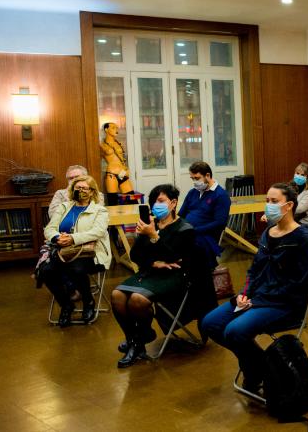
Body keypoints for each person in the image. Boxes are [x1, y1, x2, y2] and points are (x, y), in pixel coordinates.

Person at [201, 183, 308, 393]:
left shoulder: (303, 239)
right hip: (255, 297)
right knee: (210, 323)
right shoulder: (267, 233)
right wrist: (244, 294)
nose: (268, 205)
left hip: (283, 304)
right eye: (267, 201)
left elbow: (299, 283)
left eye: (274, 201)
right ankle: (262, 366)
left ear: (289, 205)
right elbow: (254, 271)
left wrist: (257, 300)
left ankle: (255, 371)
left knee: (234, 331)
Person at [111, 184, 196, 368]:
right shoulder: (151, 225)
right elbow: (135, 256)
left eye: (161, 201)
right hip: (149, 272)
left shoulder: (185, 229)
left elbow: (174, 257)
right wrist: (153, 261)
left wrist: (154, 238)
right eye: (153, 201)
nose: (156, 205)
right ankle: (135, 338)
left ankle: (138, 345)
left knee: (137, 299)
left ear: (173, 203)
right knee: (117, 295)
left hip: (174, 276)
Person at [39, 175, 111, 327]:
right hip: (63, 251)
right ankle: (66, 305)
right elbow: (49, 229)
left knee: (76, 269)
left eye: (84, 188)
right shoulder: (64, 207)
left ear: (92, 192)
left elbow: (97, 232)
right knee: (45, 271)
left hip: (91, 253)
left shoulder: (100, 210)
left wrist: (72, 238)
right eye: (77, 188)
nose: (81, 191)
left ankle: (88, 301)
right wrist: (56, 238)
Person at [178, 161, 231, 272]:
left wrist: (194, 230)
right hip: (189, 232)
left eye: (197, 178)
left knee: (191, 248)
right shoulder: (193, 192)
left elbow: (220, 222)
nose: (195, 182)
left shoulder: (220, 195)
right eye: (192, 179)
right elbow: (181, 214)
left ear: (207, 175)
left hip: (206, 235)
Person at [99, 122, 134, 205]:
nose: (116, 130)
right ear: (106, 130)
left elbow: (123, 158)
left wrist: (126, 169)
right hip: (112, 174)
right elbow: (98, 160)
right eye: (113, 128)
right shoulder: (101, 145)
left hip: (122, 173)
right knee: (113, 201)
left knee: (132, 200)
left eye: (117, 128)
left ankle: (133, 217)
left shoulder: (119, 143)